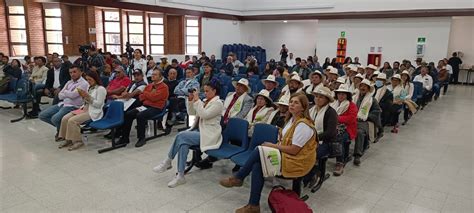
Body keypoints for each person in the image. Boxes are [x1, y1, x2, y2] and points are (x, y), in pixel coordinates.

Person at [219, 93, 317, 213]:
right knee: (257, 164)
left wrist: (272, 146)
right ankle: (253, 205)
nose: (291, 104)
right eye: (291, 102)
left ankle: (239, 178)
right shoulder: (292, 120)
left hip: (297, 161)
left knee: (259, 150)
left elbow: (294, 150)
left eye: (296, 103)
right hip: (287, 156)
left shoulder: (303, 125)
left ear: (303, 107)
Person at [153, 79, 223, 188]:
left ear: (214, 91)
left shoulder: (218, 103)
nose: (205, 93)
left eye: (207, 91)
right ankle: (180, 175)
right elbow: (192, 115)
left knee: (181, 136)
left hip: (209, 134)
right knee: (183, 143)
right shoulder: (205, 101)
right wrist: (191, 101)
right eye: (204, 91)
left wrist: (197, 100)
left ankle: (168, 161)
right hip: (198, 130)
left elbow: (204, 115)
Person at [117, 69, 169, 147]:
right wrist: (148, 95)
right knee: (128, 114)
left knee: (140, 115)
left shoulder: (164, 87)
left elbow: (154, 98)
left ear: (160, 76)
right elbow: (141, 97)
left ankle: (141, 138)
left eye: (155, 75)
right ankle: (125, 138)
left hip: (156, 108)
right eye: (152, 74)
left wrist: (146, 94)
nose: (152, 76)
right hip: (146, 106)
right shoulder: (150, 85)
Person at [57, 71, 106, 150]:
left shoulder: (101, 89)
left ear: (95, 79)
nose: (88, 82)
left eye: (90, 80)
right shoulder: (89, 87)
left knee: (72, 121)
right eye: (87, 80)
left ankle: (78, 141)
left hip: (93, 111)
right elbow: (86, 101)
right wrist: (84, 97)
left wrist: (88, 97)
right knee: (65, 118)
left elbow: (99, 105)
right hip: (84, 108)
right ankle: (67, 139)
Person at [39, 66, 89, 140]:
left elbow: (72, 95)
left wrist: (65, 92)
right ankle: (64, 130)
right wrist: (67, 93)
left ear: (80, 72)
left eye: (74, 72)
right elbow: (60, 95)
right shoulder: (69, 82)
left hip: (73, 106)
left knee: (55, 119)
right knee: (42, 115)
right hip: (63, 104)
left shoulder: (84, 83)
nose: (72, 74)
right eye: (70, 73)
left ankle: (62, 132)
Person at [305, 86, 337, 183]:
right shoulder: (311, 109)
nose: (317, 99)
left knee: (308, 154)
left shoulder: (331, 112)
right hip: (310, 139)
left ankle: (311, 174)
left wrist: (314, 138)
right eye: (316, 96)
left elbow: (330, 132)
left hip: (325, 142)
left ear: (327, 100)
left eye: (321, 97)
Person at [352, 79, 381, 166]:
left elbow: (377, 111)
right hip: (352, 119)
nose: (362, 88)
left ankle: (357, 154)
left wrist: (366, 117)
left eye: (365, 86)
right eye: (361, 86)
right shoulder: (354, 97)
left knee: (359, 132)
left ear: (368, 89)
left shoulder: (372, 100)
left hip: (364, 121)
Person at [331, 85, 357, 176]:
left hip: (347, 128)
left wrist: (336, 118)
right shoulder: (333, 103)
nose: (341, 96)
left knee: (339, 138)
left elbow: (350, 119)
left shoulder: (351, 105)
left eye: (343, 94)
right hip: (334, 126)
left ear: (347, 95)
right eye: (339, 94)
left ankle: (339, 163)